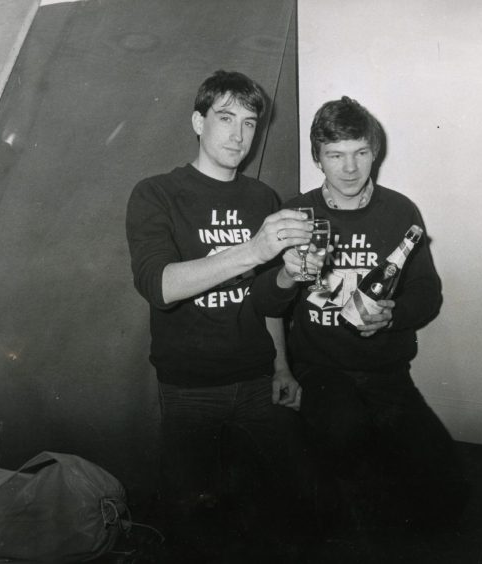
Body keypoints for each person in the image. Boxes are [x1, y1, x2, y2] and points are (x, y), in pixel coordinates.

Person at [251, 96, 468, 536]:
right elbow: (264, 302)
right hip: (321, 369)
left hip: (387, 371)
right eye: (335, 155)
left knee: (450, 489)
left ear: (374, 152)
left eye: (360, 153)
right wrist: (288, 282)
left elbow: (428, 294)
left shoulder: (400, 211)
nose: (349, 168)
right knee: (347, 453)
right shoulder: (296, 213)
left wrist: (393, 315)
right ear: (318, 158)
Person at [125, 70, 316, 560]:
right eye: (225, 118)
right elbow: (159, 286)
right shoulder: (156, 193)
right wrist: (253, 250)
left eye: (250, 123)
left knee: (286, 510)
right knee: (195, 526)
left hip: (258, 379)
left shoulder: (262, 199)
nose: (238, 135)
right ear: (198, 121)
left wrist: (289, 280)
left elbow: (266, 302)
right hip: (190, 388)